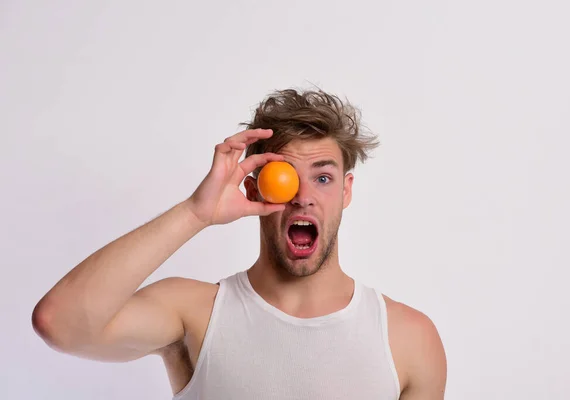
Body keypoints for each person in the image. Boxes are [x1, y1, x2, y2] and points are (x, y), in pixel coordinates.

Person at [32, 88, 447, 399]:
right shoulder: (194, 314)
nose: (303, 196)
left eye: (323, 177)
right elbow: (60, 323)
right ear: (255, 190)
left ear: (346, 191)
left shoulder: (409, 339)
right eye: (286, 176)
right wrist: (195, 213)